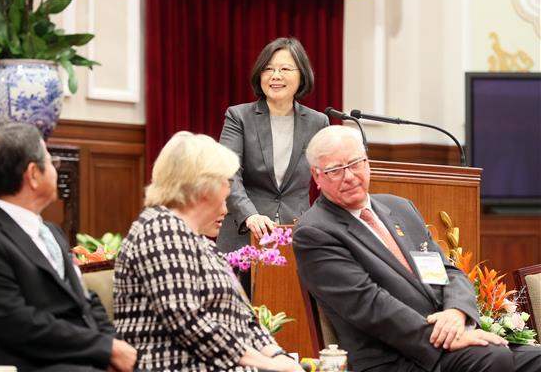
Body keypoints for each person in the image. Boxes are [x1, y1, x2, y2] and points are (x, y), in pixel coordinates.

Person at [293, 125, 541, 372]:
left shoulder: (400, 208)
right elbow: (370, 305)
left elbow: (448, 273)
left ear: (367, 163)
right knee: (494, 358)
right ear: (317, 176)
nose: (349, 176)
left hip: (452, 341)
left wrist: (456, 312)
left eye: (355, 163)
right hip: (396, 357)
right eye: (335, 170)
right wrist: (446, 339)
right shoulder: (315, 231)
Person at [0, 123, 137, 372]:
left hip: (84, 362)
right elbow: (20, 326)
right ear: (33, 174)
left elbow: (85, 300)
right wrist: (105, 349)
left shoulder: (52, 232)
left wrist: (112, 349)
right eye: (51, 162)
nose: (55, 170)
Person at [113, 131, 303, 372]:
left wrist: (279, 357)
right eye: (226, 183)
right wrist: (266, 364)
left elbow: (244, 318)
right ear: (204, 188)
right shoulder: (160, 229)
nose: (228, 197)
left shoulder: (200, 242)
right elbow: (185, 320)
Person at [217, 37, 329, 258]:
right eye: (268, 69)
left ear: (301, 75)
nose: (276, 75)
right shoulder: (239, 117)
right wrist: (250, 215)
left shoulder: (318, 122)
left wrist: (318, 224)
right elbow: (227, 173)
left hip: (298, 236)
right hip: (244, 235)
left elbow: (327, 179)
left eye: (285, 69)